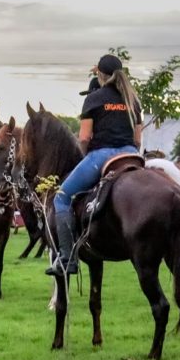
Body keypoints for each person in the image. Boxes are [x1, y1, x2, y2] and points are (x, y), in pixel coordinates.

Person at [46, 54, 142, 276]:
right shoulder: (132, 100)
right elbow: (137, 140)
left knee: (61, 197)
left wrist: (83, 155)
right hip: (130, 155)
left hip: (102, 156)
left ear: (100, 74)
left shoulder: (94, 98)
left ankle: (67, 258)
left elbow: (85, 138)